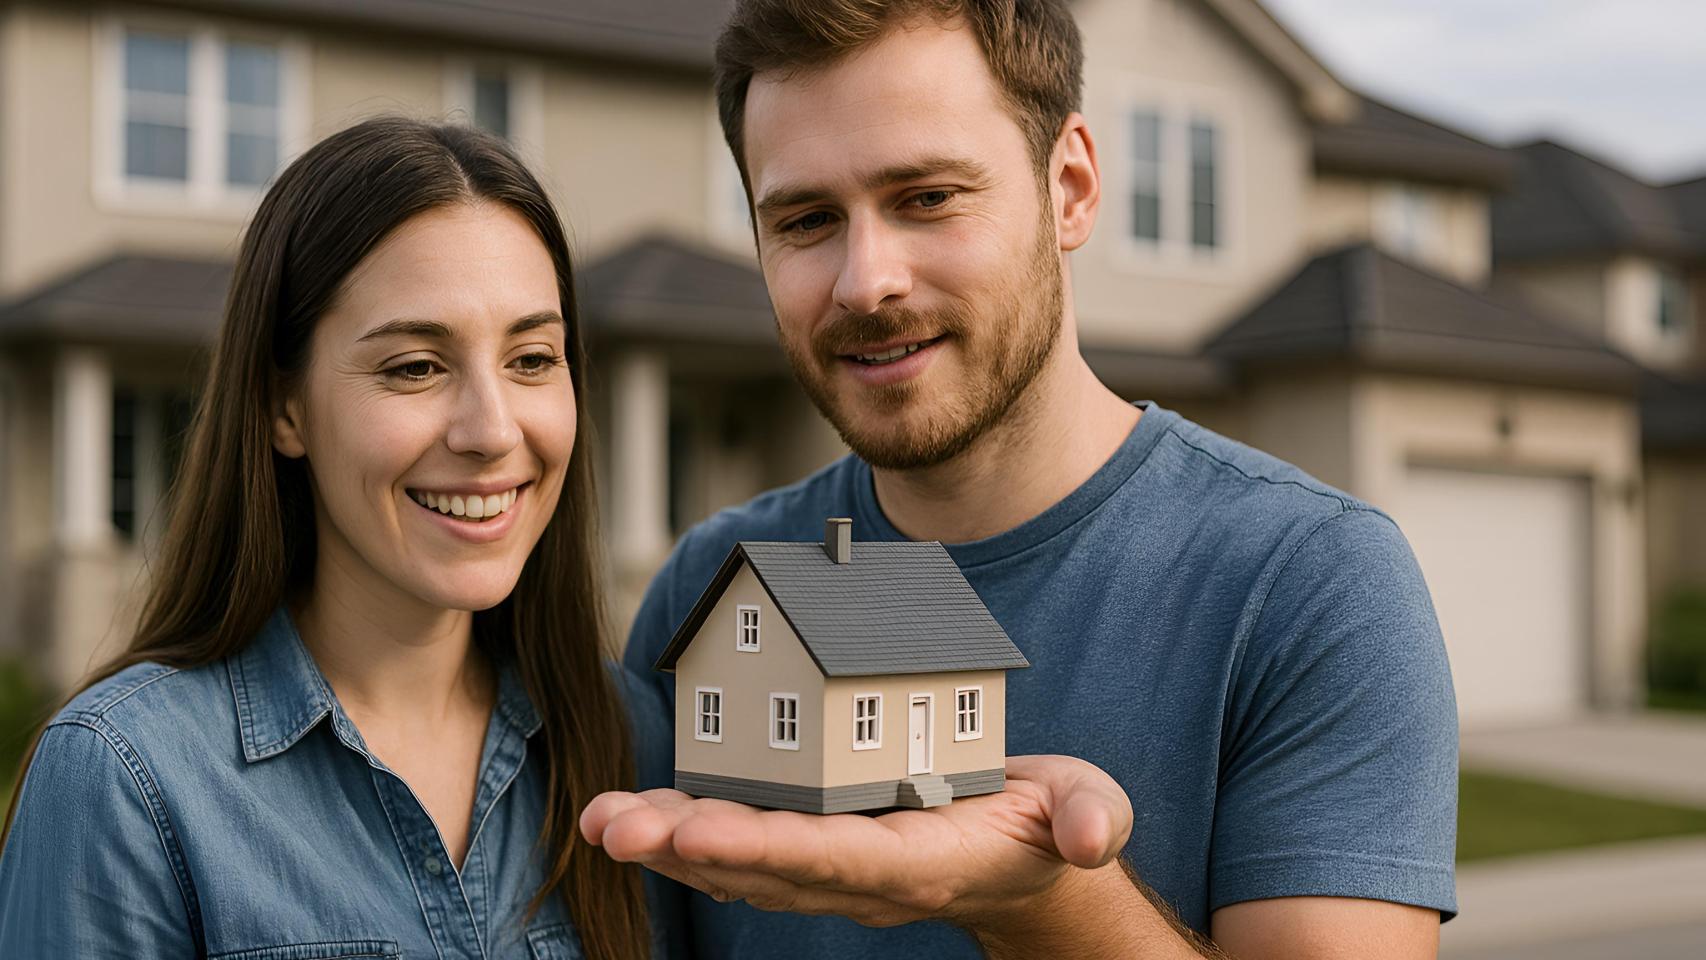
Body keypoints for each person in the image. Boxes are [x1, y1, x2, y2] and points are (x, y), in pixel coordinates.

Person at [585, 1, 1457, 958]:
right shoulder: (712, 585)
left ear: (1071, 188)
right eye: (805, 220)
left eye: (928, 198)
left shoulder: (1309, 583)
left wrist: (1040, 907)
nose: (864, 281)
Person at [0, 117, 680, 959]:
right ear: (286, 409)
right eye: (415, 368)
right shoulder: (125, 780)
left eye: (533, 359)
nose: (492, 430)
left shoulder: (637, 743)